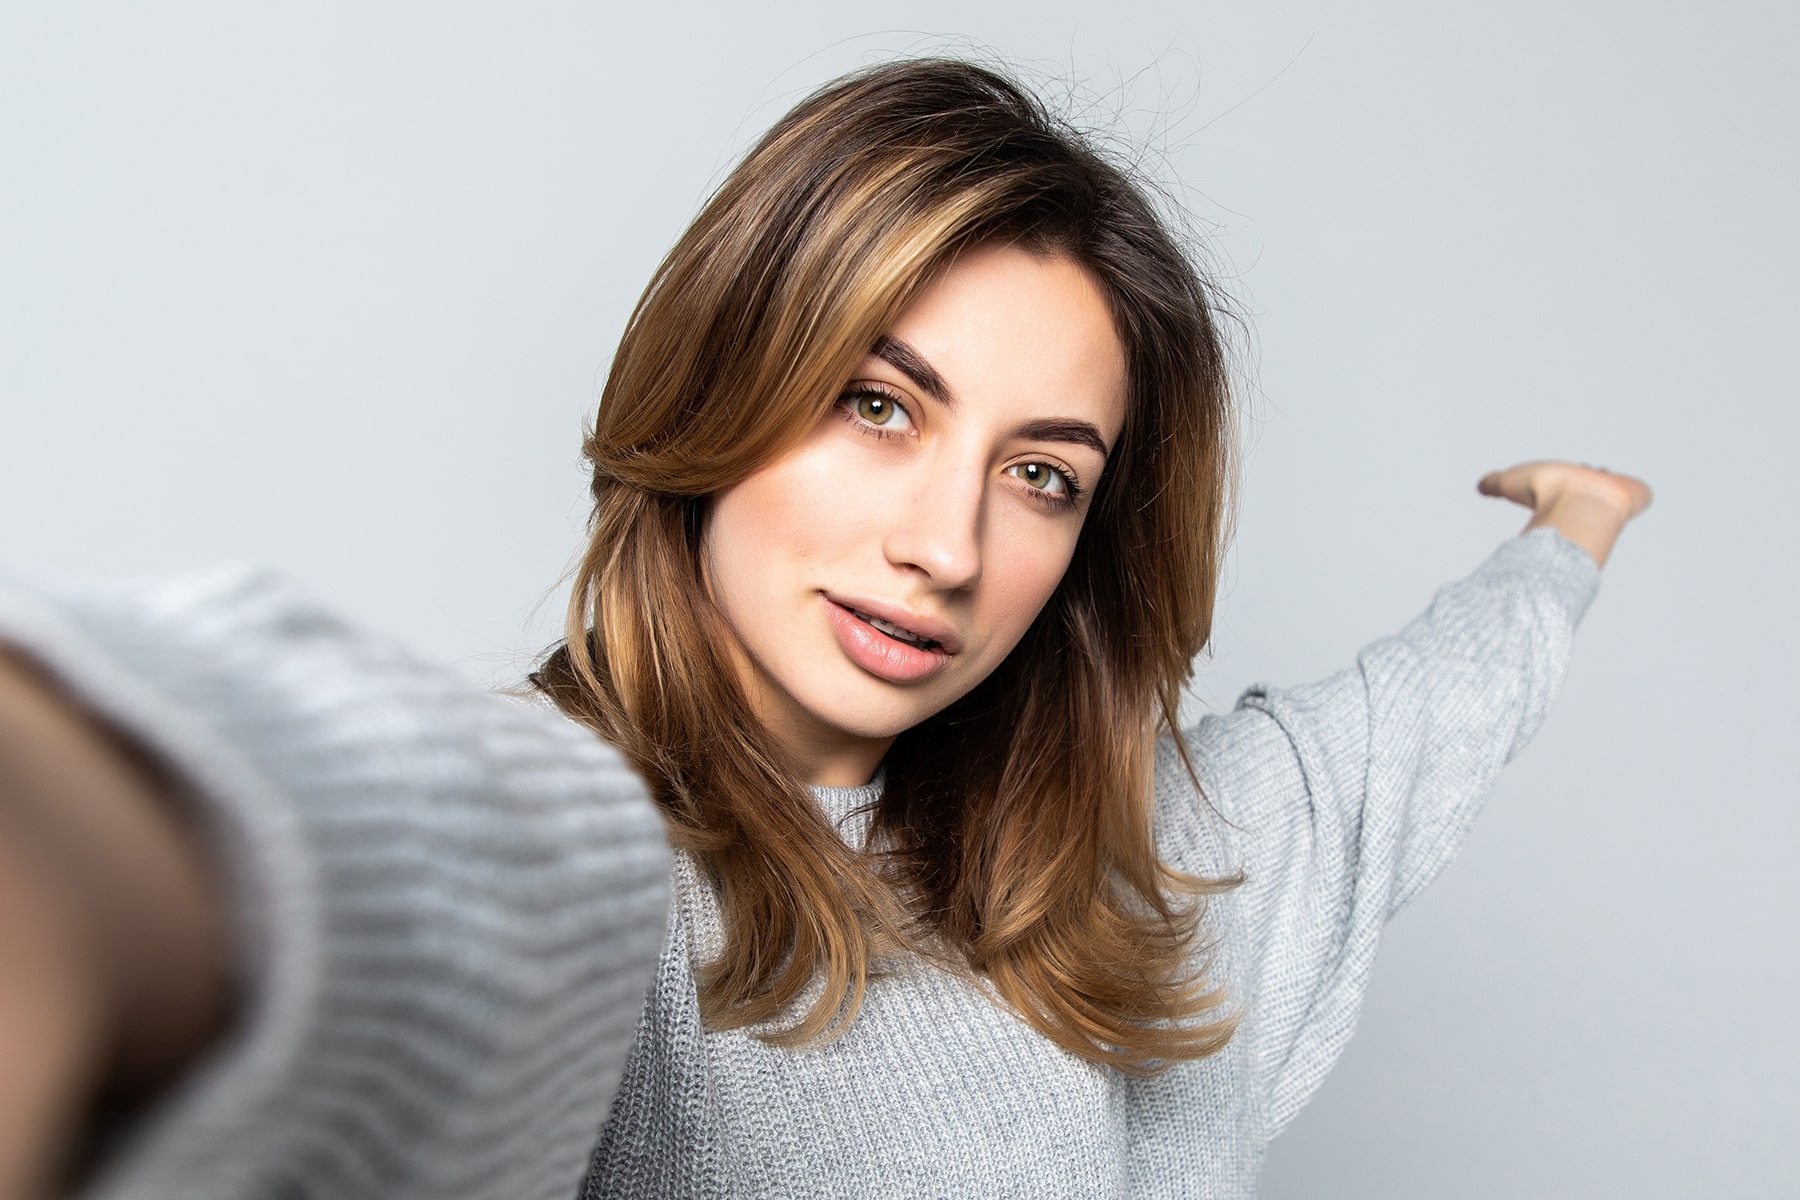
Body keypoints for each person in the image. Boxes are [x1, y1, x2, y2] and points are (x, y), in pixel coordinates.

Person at [0, 58, 1650, 1199]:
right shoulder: (588, 864)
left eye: (1044, 476)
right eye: (877, 404)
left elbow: (1404, 732)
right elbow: (260, 837)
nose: (945, 545)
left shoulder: (1153, 866)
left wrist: (1569, 534)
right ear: (725, 378)